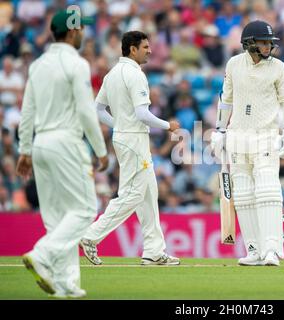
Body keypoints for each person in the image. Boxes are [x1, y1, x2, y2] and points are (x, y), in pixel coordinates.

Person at [16, 10, 109, 298]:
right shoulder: (77, 64)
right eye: (81, 28)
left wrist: (25, 149)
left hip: (41, 143)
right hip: (66, 143)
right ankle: (42, 255)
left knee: (57, 219)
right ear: (71, 31)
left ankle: (64, 282)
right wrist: (101, 149)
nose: (84, 33)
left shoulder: (39, 65)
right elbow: (85, 110)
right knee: (83, 210)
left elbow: (27, 109)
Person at [79, 31, 181, 266]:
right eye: (145, 47)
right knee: (133, 194)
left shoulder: (113, 73)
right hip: (134, 140)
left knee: (148, 194)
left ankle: (154, 251)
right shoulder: (135, 74)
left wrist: (120, 125)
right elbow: (142, 114)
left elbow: (98, 109)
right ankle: (91, 236)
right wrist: (168, 125)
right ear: (132, 49)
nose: (150, 51)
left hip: (125, 137)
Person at [210, 20, 284, 266]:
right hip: (237, 136)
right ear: (249, 43)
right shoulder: (234, 65)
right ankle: (254, 249)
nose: (268, 46)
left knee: (267, 189)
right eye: (263, 41)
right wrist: (219, 130)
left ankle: (272, 249)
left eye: (270, 42)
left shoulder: (278, 68)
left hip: (265, 135)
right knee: (245, 194)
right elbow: (225, 100)